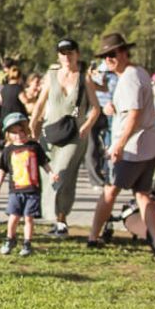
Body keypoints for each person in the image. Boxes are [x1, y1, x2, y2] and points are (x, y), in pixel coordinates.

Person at [86, 33, 155, 254]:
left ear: (123, 52)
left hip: (132, 148)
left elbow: (134, 114)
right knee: (142, 194)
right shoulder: (138, 72)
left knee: (109, 191)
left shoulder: (130, 77)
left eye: (112, 54)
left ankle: (93, 236)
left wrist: (119, 144)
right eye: (105, 56)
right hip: (149, 146)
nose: (108, 59)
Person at [29, 39, 100, 238]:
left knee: (64, 172)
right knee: (48, 174)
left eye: (70, 52)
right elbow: (40, 102)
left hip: (75, 134)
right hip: (50, 132)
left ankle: (61, 218)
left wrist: (87, 125)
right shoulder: (51, 76)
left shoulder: (84, 78)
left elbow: (96, 107)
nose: (67, 57)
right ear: (58, 55)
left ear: (77, 54)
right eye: (63, 53)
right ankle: (58, 221)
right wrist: (32, 125)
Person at [0, 114, 48, 257]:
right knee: (13, 217)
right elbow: (2, 169)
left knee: (28, 218)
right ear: (8, 135)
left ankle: (27, 243)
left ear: (27, 131)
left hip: (32, 190)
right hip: (15, 190)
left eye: (21, 131)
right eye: (14, 132)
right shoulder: (8, 150)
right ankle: (10, 239)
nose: (19, 135)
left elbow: (44, 162)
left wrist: (51, 174)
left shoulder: (34, 147)